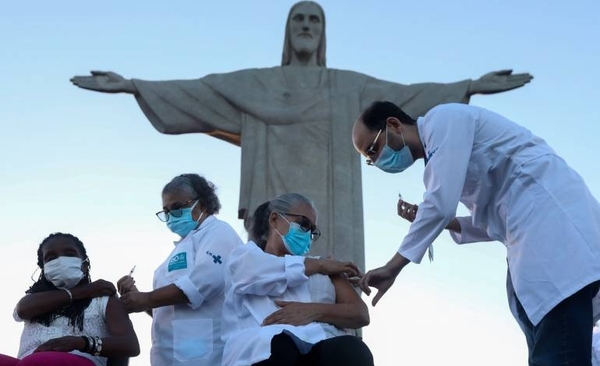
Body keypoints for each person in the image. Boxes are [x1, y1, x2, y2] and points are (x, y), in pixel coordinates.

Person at [69, 1, 533, 273]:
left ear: (323, 32)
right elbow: (201, 91)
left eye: (315, 19)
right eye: (299, 19)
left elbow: (407, 97)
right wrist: (134, 86)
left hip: (334, 200)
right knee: (268, 274)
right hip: (273, 191)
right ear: (289, 32)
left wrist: (468, 86)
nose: (307, 26)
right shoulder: (259, 83)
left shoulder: (346, 86)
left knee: (333, 274)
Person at [351, 101, 600, 365]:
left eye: (373, 149)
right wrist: (440, 220)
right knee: (552, 349)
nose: (376, 161)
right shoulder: (441, 155)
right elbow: (490, 219)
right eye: (370, 159)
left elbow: (440, 204)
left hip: (554, 232)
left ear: (393, 125)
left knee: (557, 353)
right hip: (532, 242)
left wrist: (393, 267)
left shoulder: (442, 120)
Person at [220, 193, 374, 366]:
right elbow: (255, 274)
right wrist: (321, 265)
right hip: (263, 353)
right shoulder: (244, 258)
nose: (308, 233)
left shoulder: (328, 268)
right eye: (303, 224)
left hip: (321, 346)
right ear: (274, 219)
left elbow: (359, 313)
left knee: (352, 350)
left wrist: (314, 311)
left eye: (312, 230)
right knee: (278, 346)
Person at [116, 173, 243, 366]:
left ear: (202, 205)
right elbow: (168, 309)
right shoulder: (180, 248)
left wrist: (148, 298)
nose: (170, 216)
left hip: (208, 357)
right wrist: (140, 299)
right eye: (166, 211)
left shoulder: (219, 232)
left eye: (176, 207)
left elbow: (206, 281)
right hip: (170, 356)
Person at [0, 232, 140, 366]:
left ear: (84, 265)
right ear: (44, 269)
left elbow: (130, 345)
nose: (60, 260)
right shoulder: (35, 300)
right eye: (51, 257)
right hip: (27, 362)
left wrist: (81, 343)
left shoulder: (102, 299)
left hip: (79, 359)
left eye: (69, 254)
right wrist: (85, 290)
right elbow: (23, 309)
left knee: (39, 361)